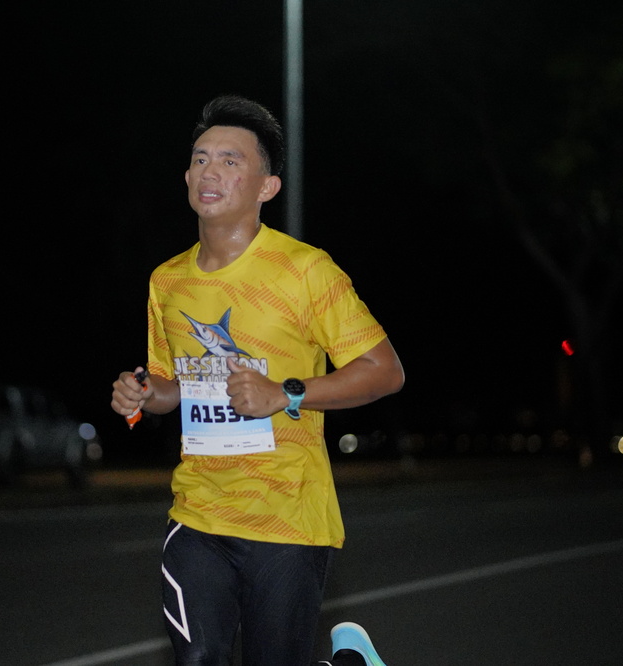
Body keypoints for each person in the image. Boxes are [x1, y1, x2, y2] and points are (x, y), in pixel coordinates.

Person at [110, 94, 404, 666]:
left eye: (230, 160)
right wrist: (143, 394)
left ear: (267, 187)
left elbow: (385, 371)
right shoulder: (167, 281)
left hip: (288, 516)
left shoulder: (306, 271)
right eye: (200, 159)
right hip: (198, 512)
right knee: (200, 658)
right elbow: (172, 385)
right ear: (186, 177)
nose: (209, 171)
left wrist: (285, 394)